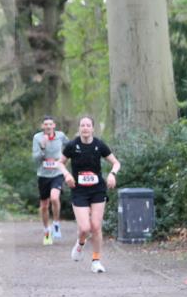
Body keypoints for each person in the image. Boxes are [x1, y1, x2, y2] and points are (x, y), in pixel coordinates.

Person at [59, 116, 121, 273]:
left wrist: (112, 174)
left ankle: (96, 260)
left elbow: (116, 162)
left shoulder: (99, 145)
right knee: (85, 228)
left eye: (88, 125)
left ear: (93, 128)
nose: (85, 128)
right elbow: (59, 163)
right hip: (79, 190)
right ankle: (80, 244)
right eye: (82, 125)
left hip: (97, 190)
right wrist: (67, 175)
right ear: (79, 128)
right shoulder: (72, 145)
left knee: (96, 226)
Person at [31, 115, 69, 245]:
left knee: (54, 198)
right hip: (43, 175)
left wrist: (64, 161)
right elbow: (35, 159)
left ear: (54, 126)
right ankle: (47, 231)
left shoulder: (61, 136)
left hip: (57, 173)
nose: (48, 126)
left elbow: (70, 148)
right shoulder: (37, 138)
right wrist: (42, 147)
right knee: (44, 206)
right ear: (42, 126)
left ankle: (56, 223)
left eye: (50, 124)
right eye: (45, 124)